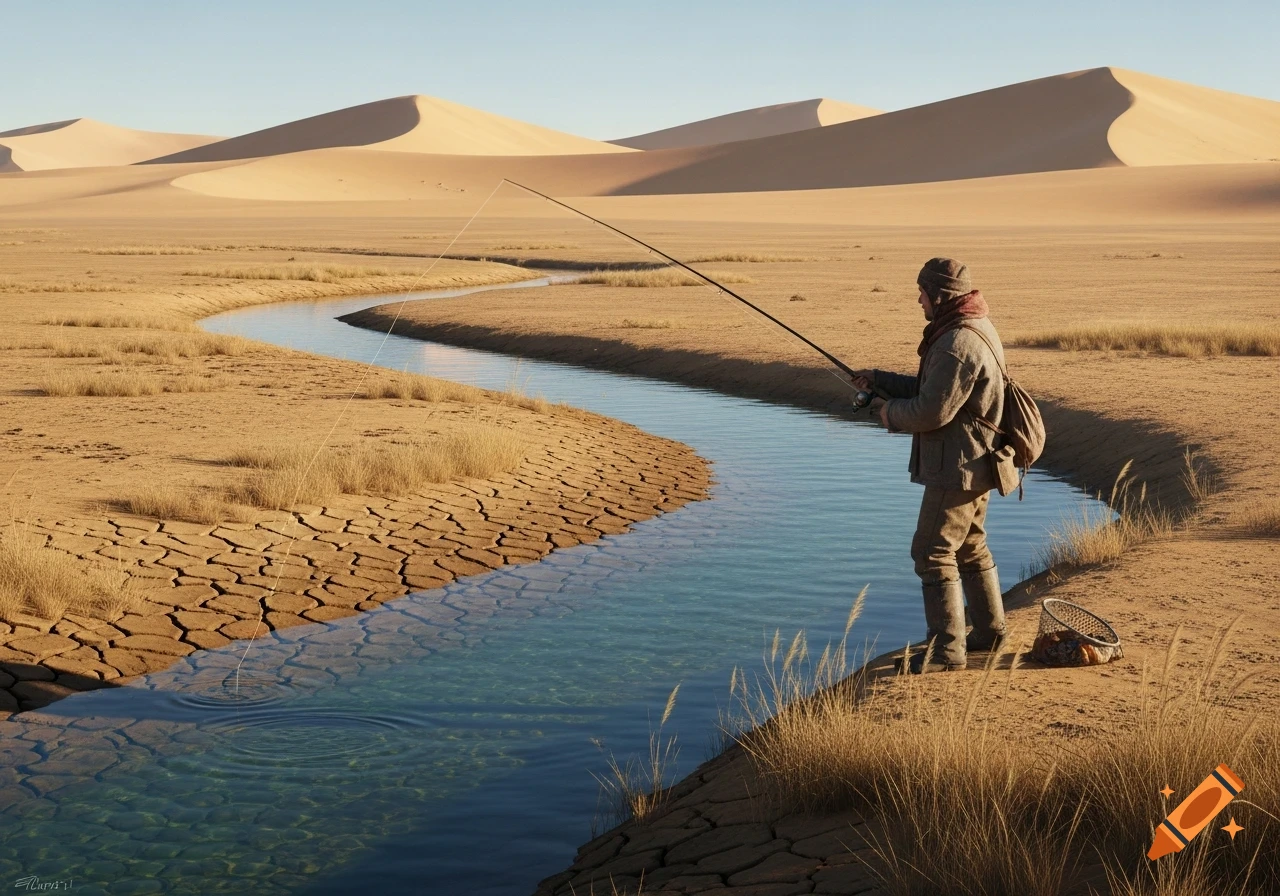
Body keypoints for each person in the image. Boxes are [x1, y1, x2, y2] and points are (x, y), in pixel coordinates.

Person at [851, 257, 1008, 673]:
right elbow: (933, 389)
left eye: (922, 292)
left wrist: (888, 412)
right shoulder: (972, 326)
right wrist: (879, 379)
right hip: (977, 460)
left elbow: (931, 411)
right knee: (970, 546)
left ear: (939, 296)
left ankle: (946, 653)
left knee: (931, 551)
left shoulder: (957, 343)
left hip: (957, 466)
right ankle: (990, 633)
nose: (918, 300)